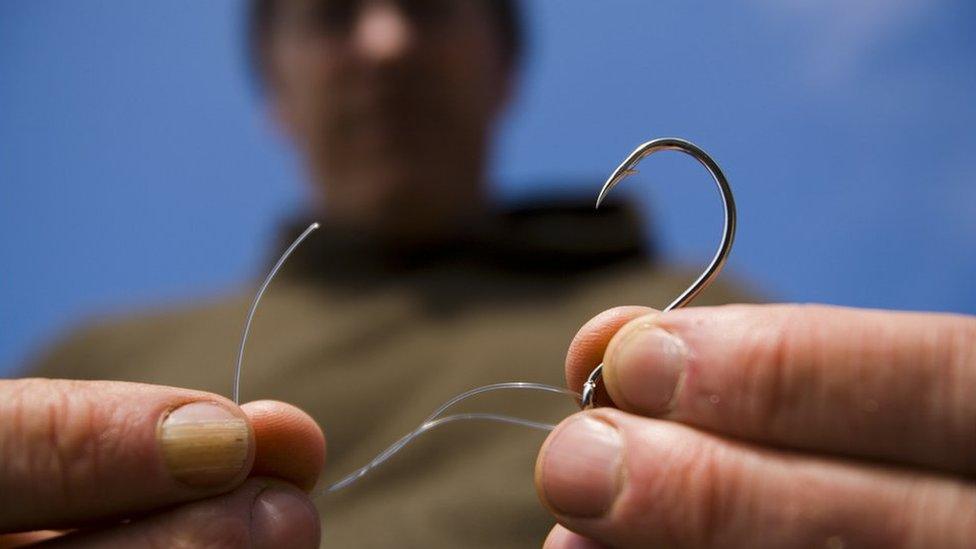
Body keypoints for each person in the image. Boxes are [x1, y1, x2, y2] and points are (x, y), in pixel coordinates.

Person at [2, 1, 972, 547]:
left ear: (505, 73)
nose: (384, 43)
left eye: (429, 4)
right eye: (332, 13)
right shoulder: (100, 357)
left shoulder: (711, 326)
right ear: (275, 99)